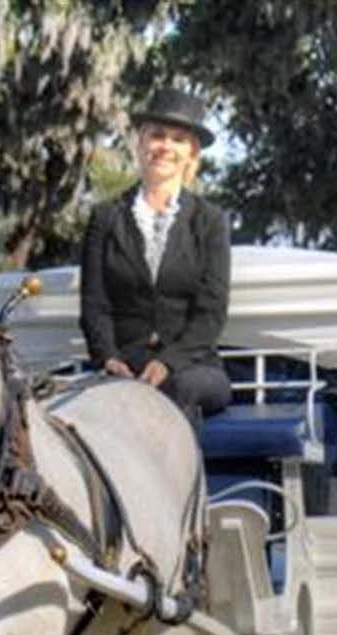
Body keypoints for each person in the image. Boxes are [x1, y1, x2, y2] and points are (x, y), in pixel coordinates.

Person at [79, 87, 233, 425]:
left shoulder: (210, 221)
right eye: (157, 135)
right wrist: (108, 358)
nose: (165, 146)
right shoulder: (106, 217)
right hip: (123, 366)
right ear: (140, 142)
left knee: (177, 390)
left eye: (178, 140)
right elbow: (95, 303)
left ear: (191, 153)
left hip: (193, 367)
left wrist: (167, 363)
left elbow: (211, 312)